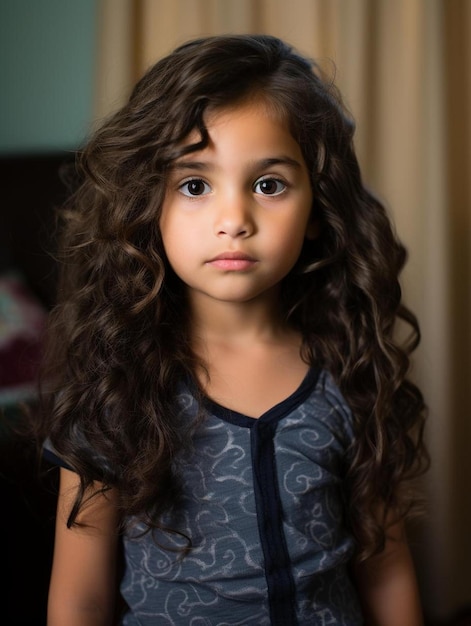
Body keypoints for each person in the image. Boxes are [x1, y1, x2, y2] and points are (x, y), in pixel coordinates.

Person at [36, 34, 429, 625]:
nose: (234, 221)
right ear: (149, 206)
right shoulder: (114, 387)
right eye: (195, 185)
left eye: (269, 185)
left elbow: (387, 564)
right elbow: (78, 598)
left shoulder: (350, 370)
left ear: (318, 210)